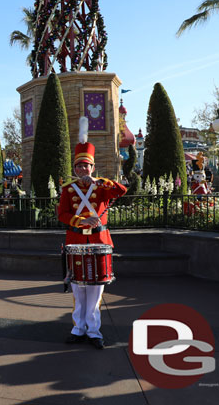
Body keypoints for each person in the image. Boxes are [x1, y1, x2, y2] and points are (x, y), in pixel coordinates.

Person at [58, 117, 127, 350]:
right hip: (76, 240)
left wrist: (99, 180)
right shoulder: (68, 189)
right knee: (78, 290)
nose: (81, 169)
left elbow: (121, 190)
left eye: (85, 166)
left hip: (98, 240)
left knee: (96, 291)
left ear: (92, 167)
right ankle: (78, 329)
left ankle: (94, 331)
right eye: (78, 166)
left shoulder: (101, 186)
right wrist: (80, 220)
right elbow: (62, 214)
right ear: (74, 168)